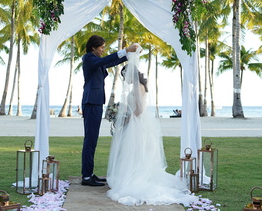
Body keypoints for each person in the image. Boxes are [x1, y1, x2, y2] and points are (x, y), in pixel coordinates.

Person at [106, 44, 198, 206]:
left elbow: (139, 110)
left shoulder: (137, 87)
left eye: (124, 76)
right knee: (137, 154)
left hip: (137, 124)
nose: (124, 80)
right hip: (140, 124)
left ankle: (135, 179)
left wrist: (126, 119)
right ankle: (135, 175)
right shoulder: (141, 86)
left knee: (135, 153)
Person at [81, 35, 138, 187]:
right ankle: (86, 177)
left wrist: (128, 55)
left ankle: (89, 173)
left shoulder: (97, 61)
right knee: (90, 140)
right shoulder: (88, 58)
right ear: (93, 47)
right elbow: (105, 60)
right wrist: (125, 50)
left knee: (93, 140)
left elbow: (110, 61)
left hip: (96, 102)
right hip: (91, 102)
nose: (103, 50)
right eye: (102, 47)